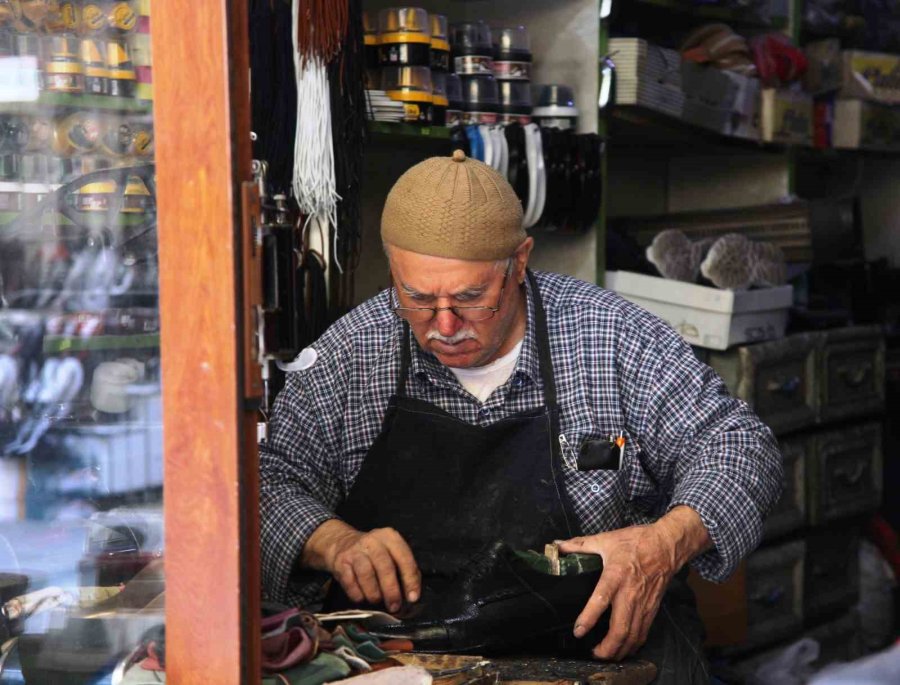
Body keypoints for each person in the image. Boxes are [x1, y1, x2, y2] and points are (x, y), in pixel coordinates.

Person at [259, 150, 783, 682]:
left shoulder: (611, 336)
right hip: (415, 660)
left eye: (471, 297)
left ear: (521, 259)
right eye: (416, 298)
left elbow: (740, 445)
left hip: (607, 651)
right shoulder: (351, 355)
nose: (444, 324)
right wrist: (333, 541)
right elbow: (266, 483)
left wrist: (663, 545)